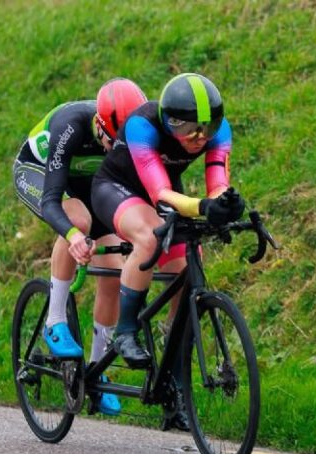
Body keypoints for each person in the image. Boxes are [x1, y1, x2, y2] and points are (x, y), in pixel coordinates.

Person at [92, 73, 245, 430]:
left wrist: (225, 202)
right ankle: (125, 330)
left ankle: (174, 383)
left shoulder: (217, 134)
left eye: (209, 128)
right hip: (118, 188)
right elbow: (159, 193)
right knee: (148, 237)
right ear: (169, 120)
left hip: (165, 193)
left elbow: (217, 182)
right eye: (191, 130)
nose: (201, 138)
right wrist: (204, 206)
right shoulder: (142, 127)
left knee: (186, 270)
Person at [12, 78, 147, 416]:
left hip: (87, 182)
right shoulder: (71, 125)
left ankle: (96, 368)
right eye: (111, 140)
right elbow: (52, 200)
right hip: (40, 173)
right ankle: (54, 321)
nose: (115, 148)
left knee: (115, 269)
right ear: (99, 125)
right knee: (78, 221)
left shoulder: (134, 134)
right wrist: (72, 236)